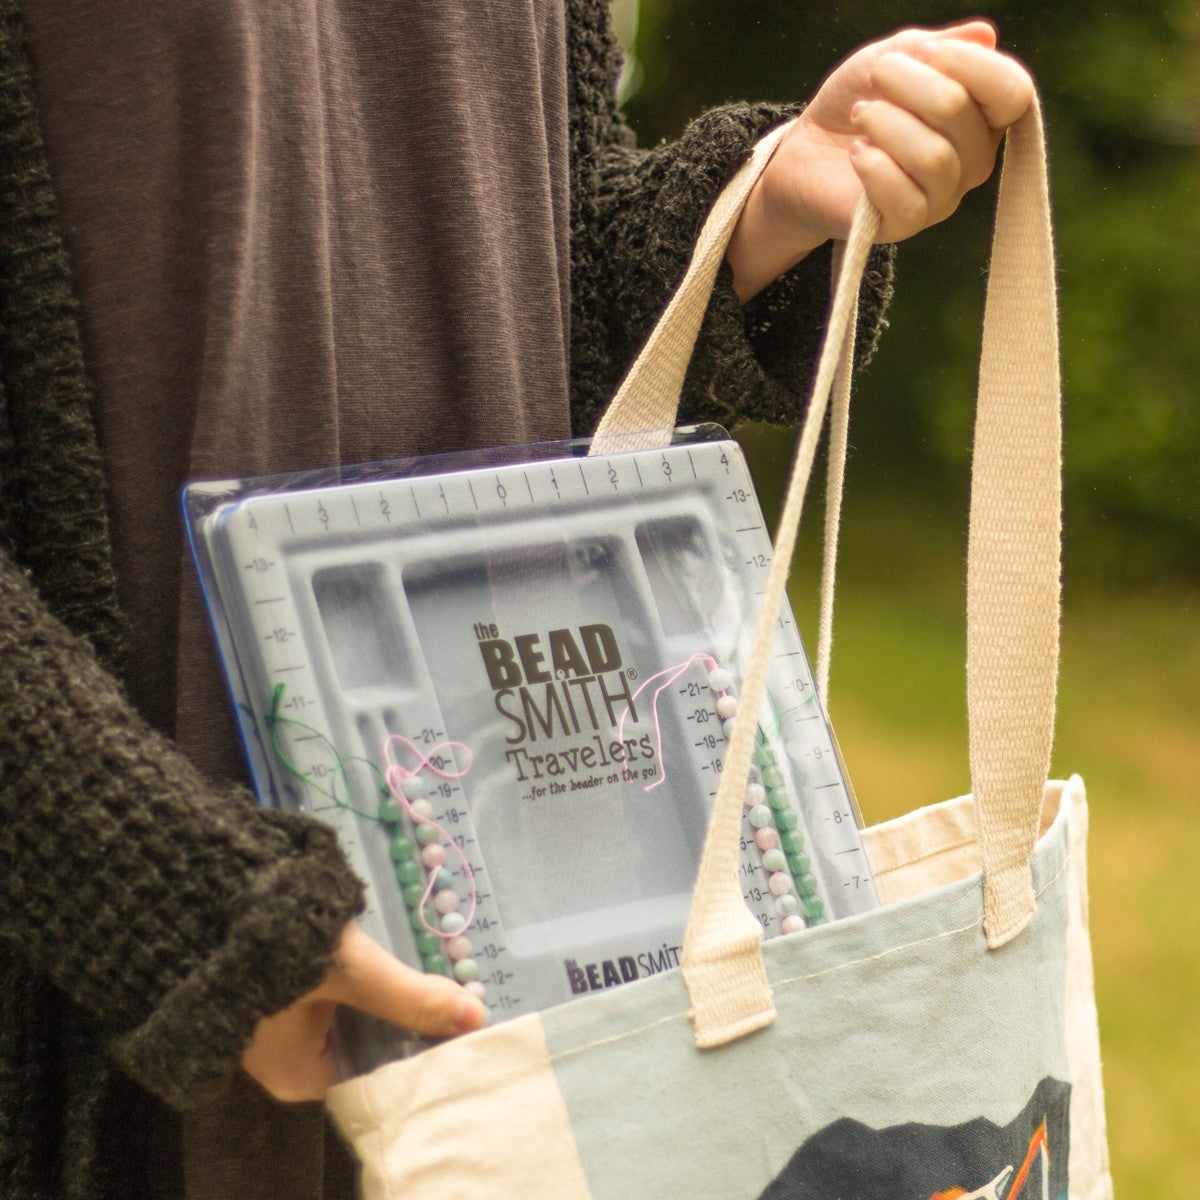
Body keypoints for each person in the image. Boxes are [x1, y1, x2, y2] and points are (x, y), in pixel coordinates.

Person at [0, 1, 1032, 1196]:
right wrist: (170, 903)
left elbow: (517, 272)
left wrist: (756, 214)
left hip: (540, 987)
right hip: (130, 1014)